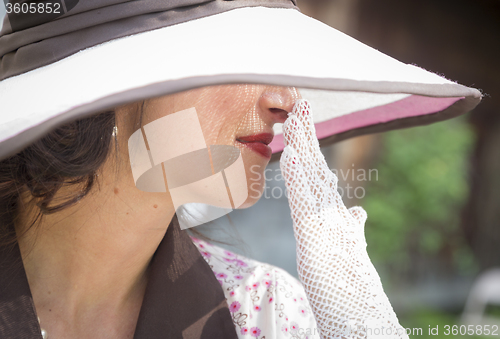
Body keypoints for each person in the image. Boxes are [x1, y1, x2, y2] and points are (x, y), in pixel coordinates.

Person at [0, 1, 481, 338]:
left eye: (279, 66)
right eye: (239, 57)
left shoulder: (263, 310)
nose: (285, 101)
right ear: (115, 82)